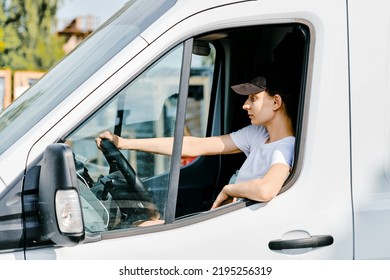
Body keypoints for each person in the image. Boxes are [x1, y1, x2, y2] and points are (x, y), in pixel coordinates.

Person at [96, 74, 296, 210]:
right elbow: (195, 145)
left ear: (276, 102)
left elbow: (265, 190)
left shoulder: (285, 147)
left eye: (253, 99)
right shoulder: (258, 134)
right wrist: (124, 143)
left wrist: (229, 189)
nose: (245, 105)